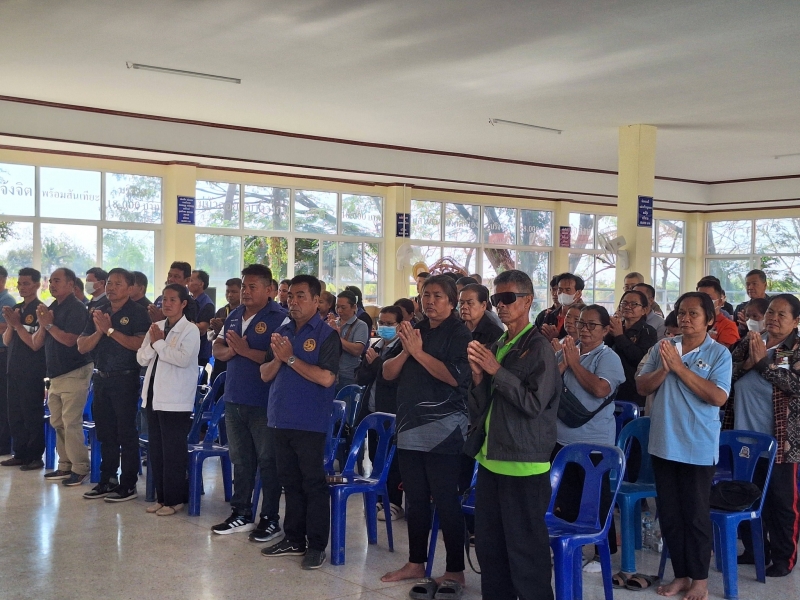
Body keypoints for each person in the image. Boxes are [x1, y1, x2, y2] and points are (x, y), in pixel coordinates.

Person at [467, 269, 559, 600]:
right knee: (491, 550)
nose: (501, 305)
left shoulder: (539, 348)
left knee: (526, 553)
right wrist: (480, 378)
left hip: (523, 464)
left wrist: (496, 371)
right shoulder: (500, 344)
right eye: (496, 299)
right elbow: (484, 405)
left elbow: (533, 404)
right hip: (492, 459)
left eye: (508, 298)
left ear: (528, 300)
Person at [636, 292, 732, 599]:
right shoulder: (663, 347)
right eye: (681, 313)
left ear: (709, 320)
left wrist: (679, 369)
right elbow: (641, 386)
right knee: (671, 515)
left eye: (693, 313)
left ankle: (700, 580)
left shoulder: (719, 354)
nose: (685, 319)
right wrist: (665, 369)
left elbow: (718, 397)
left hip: (697, 446)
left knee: (695, 516)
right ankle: (681, 575)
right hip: (664, 443)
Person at [380, 274, 472, 591]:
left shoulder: (460, 333)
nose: (430, 301)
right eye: (425, 295)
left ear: (452, 302)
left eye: (437, 296)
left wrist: (418, 353)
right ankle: (415, 562)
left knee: (445, 501)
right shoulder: (415, 329)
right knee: (415, 500)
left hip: (444, 429)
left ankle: (455, 571)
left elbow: (455, 377)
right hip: (410, 426)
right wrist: (408, 350)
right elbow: (387, 372)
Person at [259, 275, 341, 570]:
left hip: (309, 421)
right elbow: (265, 374)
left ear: (317, 301)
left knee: (312, 484)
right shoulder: (282, 331)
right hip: (279, 418)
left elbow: (327, 378)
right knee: (290, 482)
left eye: (300, 296)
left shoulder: (326, 335)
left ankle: (316, 545)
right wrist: (279, 358)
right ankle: (294, 538)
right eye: (291, 296)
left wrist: (291, 358)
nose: (293, 301)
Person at [723, 293, 800, 578]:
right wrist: (747, 364)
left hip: (781, 440)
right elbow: (725, 377)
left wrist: (763, 365)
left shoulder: (795, 349)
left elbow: (795, 385)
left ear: (796, 321)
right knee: (745, 495)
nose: (773, 319)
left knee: (782, 502)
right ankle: (754, 550)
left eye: (781, 314)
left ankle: (783, 557)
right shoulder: (750, 341)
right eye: (770, 312)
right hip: (743, 436)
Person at [210, 265, 288, 539]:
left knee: (268, 462)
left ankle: (270, 518)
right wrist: (232, 352)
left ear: (269, 290)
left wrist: (244, 351)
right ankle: (241, 513)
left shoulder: (280, 318)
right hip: (234, 398)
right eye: (244, 286)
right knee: (240, 460)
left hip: (264, 402)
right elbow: (217, 347)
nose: (245, 291)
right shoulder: (234, 315)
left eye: (252, 287)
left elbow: (277, 359)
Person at [553, 305, 625, 573]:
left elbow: (600, 389)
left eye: (592, 325)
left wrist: (573, 363)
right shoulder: (568, 350)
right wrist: (565, 361)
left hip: (594, 442)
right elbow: (546, 384)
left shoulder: (608, 357)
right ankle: (573, 547)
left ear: (605, 330)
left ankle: (602, 552)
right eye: (581, 323)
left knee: (596, 500)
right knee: (566, 497)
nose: (584, 329)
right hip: (562, 438)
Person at [77, 268, 149, 502]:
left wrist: (110, 330)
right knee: (105, 433)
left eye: (118, 284)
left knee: (126, 433)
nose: (111, 288)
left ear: (130, 288)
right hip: (101, 378)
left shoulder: (138, 312)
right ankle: (107, 479)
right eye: (109, 283)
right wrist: (100, 331)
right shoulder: (99, 311)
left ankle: (128, 484)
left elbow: (139, 344)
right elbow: (82, 346)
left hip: (125, 379)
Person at [137, 284, 200, 515]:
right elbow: (141, 358)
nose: (167, 303)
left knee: (173, 452)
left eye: (173, 299)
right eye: (164, 299)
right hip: (153, 396)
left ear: (183, 304)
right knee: (157, 450)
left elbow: (182, 359)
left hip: (176, 399)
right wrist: (155, 345)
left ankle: (175, 500)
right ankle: (162, 498)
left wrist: (159, 344)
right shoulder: (156, 327)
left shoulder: (190, 330)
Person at [32, 268, 93, 486]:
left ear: (71, 284)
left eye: (57, 281)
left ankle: (80, 468)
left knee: (71, 422)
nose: (52, 285)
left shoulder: (76, 308)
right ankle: (65, 464)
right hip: (56, 374)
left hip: (74, 371)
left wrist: (49, 324)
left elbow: (70, 340)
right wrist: (43, 324)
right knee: (57, 421)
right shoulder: (53, 307)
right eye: (51, 281)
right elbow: (37, 342)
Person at [355, 305, 404, 521]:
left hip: (392, 412)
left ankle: (394, 502)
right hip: (372, 411)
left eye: (389, 324)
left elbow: (390, 377)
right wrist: (371, 363)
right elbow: (361, 377)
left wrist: (376, 363)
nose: (384, 327)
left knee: (393, 461)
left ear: (399, 326)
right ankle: (379, 498)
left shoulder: (402, 349)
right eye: (381, 323)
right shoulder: (377, 346)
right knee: (376, 457)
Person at [1, 268, 47, 470]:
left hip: (32, 370)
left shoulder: (40, 310)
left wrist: (17, 325)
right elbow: (6, 341)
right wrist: (11, 325)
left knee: (31, 413)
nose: (22, 288)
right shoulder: (17, 308)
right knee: (15, 414)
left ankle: (34, 456)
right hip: (13, 368)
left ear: (37, 285)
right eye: (19, 284)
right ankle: (19, 453)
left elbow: (35, 344)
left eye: (26, 283)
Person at [605, 290, 658, 407]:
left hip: (632, 389)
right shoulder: (616, 326)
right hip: (611, 385)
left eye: (634, 304)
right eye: (624, 303)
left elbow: (640, 359)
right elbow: (605, 350)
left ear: (644, 310)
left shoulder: (648, 331)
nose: (628, 307)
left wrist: (619, 336)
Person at [326, 290, 369, 391]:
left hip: (348, 376)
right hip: (330, 373)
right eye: (337, 307)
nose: (339, 311)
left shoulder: (360, 325)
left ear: (354, 307)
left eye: (343, 307)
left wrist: (336, 336)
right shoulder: (333, 323)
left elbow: (357, 350)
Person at [208, 277, 242, 385]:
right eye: (228, 291)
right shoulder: (221, 311)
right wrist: (217, 331)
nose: (230, 295)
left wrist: (224, 328)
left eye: (234, 292)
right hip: (220, 358)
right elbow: (209, 335)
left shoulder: (244, 312)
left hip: (237, 359)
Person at [0, 265, 17, 456]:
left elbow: (6, 326)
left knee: (3, 402)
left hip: (3, 354)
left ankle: (4, 444)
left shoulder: (7, 301)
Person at [696, 278, 740, 349]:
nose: (703, 302)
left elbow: (723, 353)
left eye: (708, 298)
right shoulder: (690, 321)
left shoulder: (728, 326)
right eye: (699, 298)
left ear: (719, 302)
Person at [540, 273, 584, 341]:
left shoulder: (584, 316)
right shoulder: (550, 315)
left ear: (578, 293)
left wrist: (557, 338)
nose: (563, 293)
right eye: (560, 289)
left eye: (568, 290)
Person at [188, 269, 215, 369]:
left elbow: (202, 329)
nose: (188, 283)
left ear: (201, 284)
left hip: (200, 352)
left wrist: (184, 323)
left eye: (191, 280)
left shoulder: (207, 304)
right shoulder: (189, 300)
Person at [734, 269, 770, 336]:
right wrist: (742, 329)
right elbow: (734, 332)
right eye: (748, 284)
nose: (750, 287)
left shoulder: (772, 307)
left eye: (754, 284)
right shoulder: (741, 308)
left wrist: (750, 326)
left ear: (765, 285)